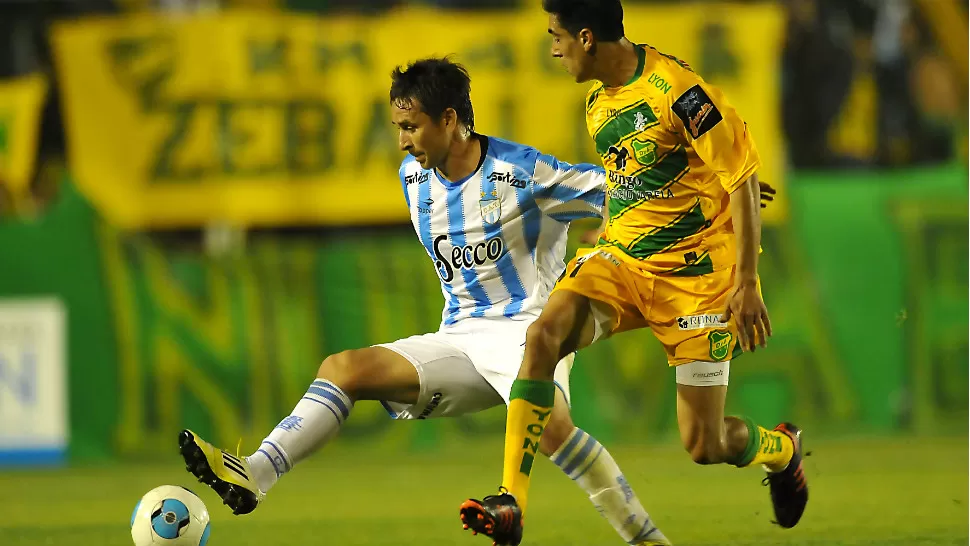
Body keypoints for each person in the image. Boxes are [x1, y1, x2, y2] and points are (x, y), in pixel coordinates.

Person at [177, 57, 671, 546]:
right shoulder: (413, 179)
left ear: (450, 120)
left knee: (554, 433)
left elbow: (618, 191)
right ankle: (254, 475)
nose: (402, 140)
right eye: (397, 127)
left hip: (530, 333)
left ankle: (646, 540)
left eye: (411, 127)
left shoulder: (522, 173)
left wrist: (695, 198)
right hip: (458, 338)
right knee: (343, 368)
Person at [459, 2, 809, 545]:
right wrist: (610, 229)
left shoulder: (678, 92)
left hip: (696, 279)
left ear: (586, 36)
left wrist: (746, 283)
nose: (552, 49)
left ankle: (781, 451)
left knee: (705, 444)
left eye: (556, 37)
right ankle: (510, 501)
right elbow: (635, 177)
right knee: (542, 335)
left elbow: (741, 176)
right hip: (623, 261)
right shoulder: (599, 102)